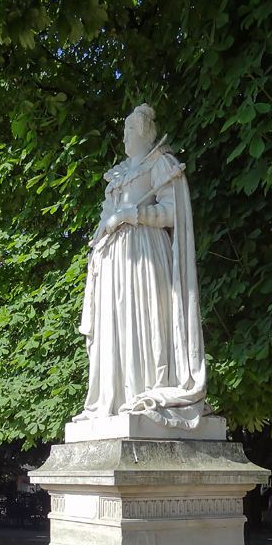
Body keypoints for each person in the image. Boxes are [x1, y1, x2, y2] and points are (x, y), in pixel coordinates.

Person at [73, 104, 206, 429]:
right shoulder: (118, 173)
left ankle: (146, 387)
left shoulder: (160, 163)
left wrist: (134, 214)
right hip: (114, 260)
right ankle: (116, 397)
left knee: (145, 320)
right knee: (116, 323)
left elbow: (174, 212)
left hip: (145, 256)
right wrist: (106, 226)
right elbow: (107, 214)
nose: (125, 134)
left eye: (131, 129)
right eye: (124, 129)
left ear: (146, 132)